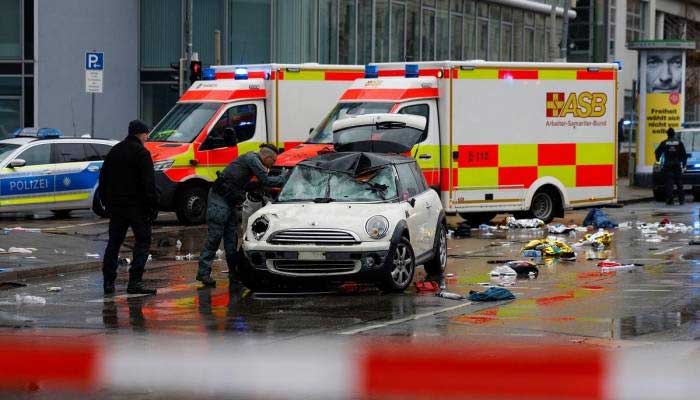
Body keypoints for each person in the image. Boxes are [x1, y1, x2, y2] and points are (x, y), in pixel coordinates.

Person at [196, 144, 286, 288]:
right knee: (215, 236)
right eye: (273, 161)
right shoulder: (252, 159)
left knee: (231, 240)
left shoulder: (250, 160)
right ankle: (203, 272)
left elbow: (247, 182)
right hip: (219, 200)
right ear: (267, 157)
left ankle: (234, 276)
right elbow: (266, 181)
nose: (273, 164)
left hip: (229, 201)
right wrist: (285, 178)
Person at [99, 120, 159, 295]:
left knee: (114, 243)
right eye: (146, 134)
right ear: (141, 133)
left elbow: (103, 179)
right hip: (138, 208)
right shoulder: (142, 153)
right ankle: (135, 282)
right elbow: (148, 183)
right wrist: (152, 207)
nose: (147, 137)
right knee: (142, 242)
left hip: (117, 207)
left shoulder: (115, 151)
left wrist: (106, 202)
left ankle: (108, 283)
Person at [655, 127, 688, 205]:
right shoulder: (679, 143)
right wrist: (684, 164)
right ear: (674, 134)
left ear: (667, 134)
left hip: (667, 165)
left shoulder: (664, 142)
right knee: (679, 183)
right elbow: (684, 155)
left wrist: (658, 159)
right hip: (676, 165)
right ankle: (681, 200)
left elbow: (657, 152)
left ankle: (670, 200)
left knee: (669, 183)